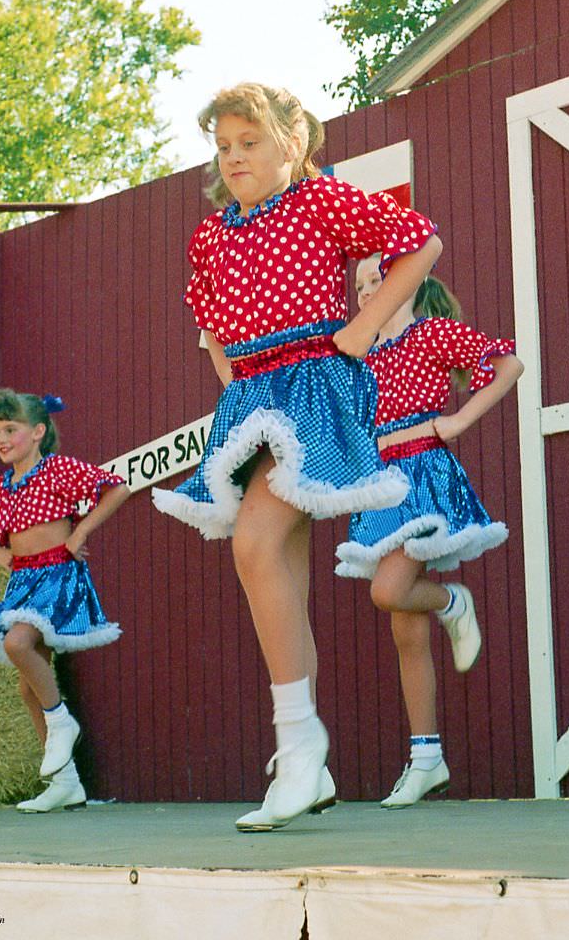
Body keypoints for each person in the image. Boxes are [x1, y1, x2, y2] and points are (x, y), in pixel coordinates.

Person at [152, 82, 442, 831]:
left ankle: (300, 740)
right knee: (278, 567)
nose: (234, 157)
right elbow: (210, 324)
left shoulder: (322, 202)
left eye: (250, 142)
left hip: (314, 384)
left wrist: (362, 329)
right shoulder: (211, 234)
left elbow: (421, 241)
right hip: (254, 398)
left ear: (291, 142)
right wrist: (235, 386)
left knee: (252, 541)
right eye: (223, 146)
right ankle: (303, 756)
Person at [336, 258, 523, 807]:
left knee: (389, 591)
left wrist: (460, 421)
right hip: (380, 484)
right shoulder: (360, 352)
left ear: (409, 283)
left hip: (422, 475)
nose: (368, 291)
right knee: (405, 630)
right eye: (362, 286)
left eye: (378, 280)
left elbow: (507, 366)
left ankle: (453, 601)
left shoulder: (432, 333)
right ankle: (426, 759)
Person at [0, 388, 130, 812]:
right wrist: (6, 557)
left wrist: (81, 533)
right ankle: (66, 784)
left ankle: (61, 722)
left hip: (58, 579)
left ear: (37, 432)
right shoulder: (1, 487)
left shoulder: (58, 470)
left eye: (10, 429)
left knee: (17, 644)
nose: (1, 439)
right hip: (23, 583)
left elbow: (117, 489)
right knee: (26, 686)